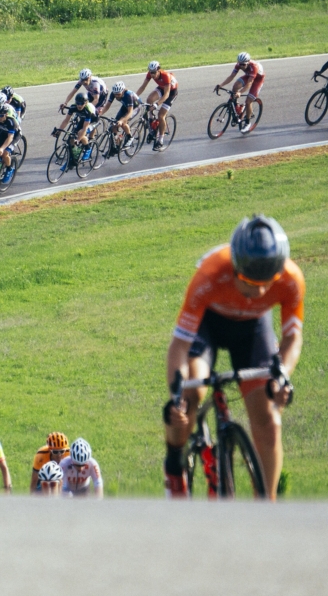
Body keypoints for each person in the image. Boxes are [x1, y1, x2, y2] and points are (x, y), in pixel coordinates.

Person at [163, 215, 302, 500]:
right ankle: (174, 463)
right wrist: (176, 396)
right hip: (209, 326)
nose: (260, 291)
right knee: (193, 392)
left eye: (268, 282)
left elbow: (292, 338)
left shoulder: (291, 278)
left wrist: (282, 376)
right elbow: (179, 344)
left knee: (269, 421)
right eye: (251, 282)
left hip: (252, 330)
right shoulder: (210, 274)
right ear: (236, 269)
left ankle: (266, 503)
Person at [214, 52, 265, 132]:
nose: (241, 66)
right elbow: (231, 76)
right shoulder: (239, 65)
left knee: (248, 101)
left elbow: (249, 83)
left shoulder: (254, 67)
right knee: (235, 87)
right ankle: (237, 108)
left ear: (248, 62)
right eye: (240, 64)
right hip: (249, 75)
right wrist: (221, 85)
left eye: (243, 65)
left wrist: (240, 92)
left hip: (257, 79)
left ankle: (247, 123)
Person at [135, 61, 178, 148]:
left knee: (161, 115)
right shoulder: (150, 74)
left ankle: (160, 140)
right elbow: (143, 87)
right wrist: (134, 97)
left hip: (171, 92)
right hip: (162, 88)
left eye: (154, 72)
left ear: (158, 70)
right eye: (151, 72)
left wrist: (156, 104)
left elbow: (166, 95)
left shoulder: (166, 76)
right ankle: (152, 120)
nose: (152, 75)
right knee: (149, 100)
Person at [52, 92, 100, 161]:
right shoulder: (73, 107)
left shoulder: (88, 110)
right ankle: (74, 155)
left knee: (81, 133)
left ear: (86, 103)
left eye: (81, 104)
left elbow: (85, 128)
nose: (79, 105)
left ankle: (88, 149)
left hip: (94, 120)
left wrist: (78, 140)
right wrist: (59, 130)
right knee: (72, 136)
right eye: (78, 103)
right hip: (84, 118)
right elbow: (66, 120)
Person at [101, 81, 142, 155]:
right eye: (115, 94)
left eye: (118, 94)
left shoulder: (128, 95)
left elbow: (130, 113)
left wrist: (121, 120)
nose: (117, 96)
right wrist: (100, 114)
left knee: (122, 123)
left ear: (123, 91)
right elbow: (107, 105)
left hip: (135, 107)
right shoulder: (114, 93)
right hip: (125, 106)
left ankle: (130, 137)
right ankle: (114, 147)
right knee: (113, 126)